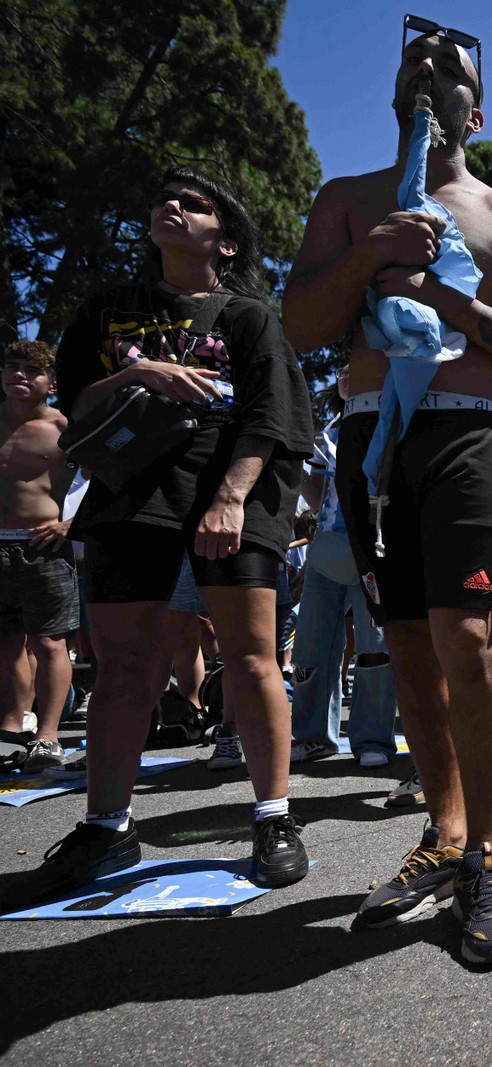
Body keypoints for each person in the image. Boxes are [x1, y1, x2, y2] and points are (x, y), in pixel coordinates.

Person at [282, 16, 492, 964]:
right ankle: (444, 833)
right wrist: (371, 255)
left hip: (464, 432)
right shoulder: (349, 199)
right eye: (414, 58)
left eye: (447, 63)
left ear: (475, 112)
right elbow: (302, 325)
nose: (428, 68)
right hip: (371, 434)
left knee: (468, 637)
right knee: (402, 636)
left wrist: (459, 306)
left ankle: (489, 854)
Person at [3, 166, 315, 911]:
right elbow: (72, 408)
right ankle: (106, 825)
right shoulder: (106, 309)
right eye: (163, 199)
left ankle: (274, 816)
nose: (170, 207)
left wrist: (232, 499)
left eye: (194, 204)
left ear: (227, 242)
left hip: (230, 499)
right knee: (123, 667)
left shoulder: (248, 318)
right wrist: (140, 376)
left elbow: (273, 418)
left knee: (249, 656)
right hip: (129, 503)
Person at [287, 368, 398, 768]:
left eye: (357, 368)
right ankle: (312, 737)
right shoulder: (328, 430)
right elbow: (318, 501)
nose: (348, 376)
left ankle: (372, 739)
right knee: (311, 648)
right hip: (328, 552)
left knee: (374, 650)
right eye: (342, 371)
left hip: (376, 550)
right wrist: (300, 470)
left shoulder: (388, 418)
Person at [0, 340, 75, 772]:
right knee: (6, 643)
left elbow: (105, 478)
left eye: (33, 370)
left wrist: (71, 525)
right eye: (13, 366)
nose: (21, 375)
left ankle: (48, 735)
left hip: (43, 548)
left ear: (52, 382)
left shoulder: (64, 427)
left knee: (49, 643)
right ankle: (12, 728)